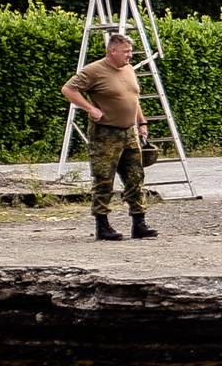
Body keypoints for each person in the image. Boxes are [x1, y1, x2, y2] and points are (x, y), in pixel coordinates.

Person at [61, 34, 156, 241]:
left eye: (131, 51)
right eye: (126, 52)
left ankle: (139, 223)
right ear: (113, 51)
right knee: (104, 179)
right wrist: (90, 108)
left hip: (129, 131)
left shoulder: (129, 69)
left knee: (135, 176)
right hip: (105, 133)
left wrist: (142, 122)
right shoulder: (94, 70)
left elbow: (134, 98)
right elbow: (68, 89)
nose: (130, 55)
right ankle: (102, 226)